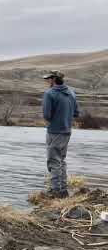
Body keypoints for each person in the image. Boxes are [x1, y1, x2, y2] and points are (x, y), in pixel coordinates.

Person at [42, 70, 79, 199]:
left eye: (48, 79)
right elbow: (76, 113)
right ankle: (63, 190)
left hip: (54, 131)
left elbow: (47, 115)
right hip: (67, 131)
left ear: (53, 80)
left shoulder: (49, 93)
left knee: (53, 160)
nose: (47, 81)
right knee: (61, 160)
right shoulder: (71, 93)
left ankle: (55, 190)